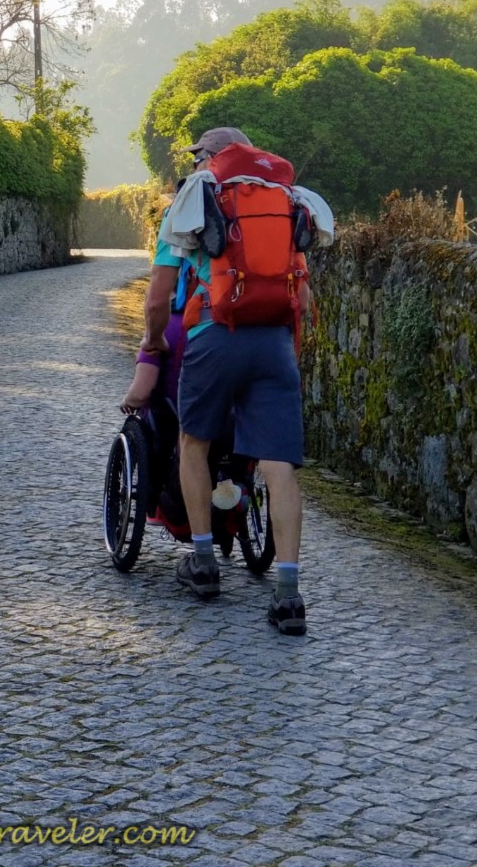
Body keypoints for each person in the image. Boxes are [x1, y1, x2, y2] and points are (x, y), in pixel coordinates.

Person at [165, 127, 322, 636]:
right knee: (280, 468)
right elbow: (305, 290)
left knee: (194, 442)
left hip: (216, 332)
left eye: (198, 158)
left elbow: (170, 275)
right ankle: (289, 594)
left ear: (210, 158)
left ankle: (205, 562)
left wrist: (154, 340)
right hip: (274, 341)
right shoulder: (284, 199)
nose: (194, 166)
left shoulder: (200, 193)